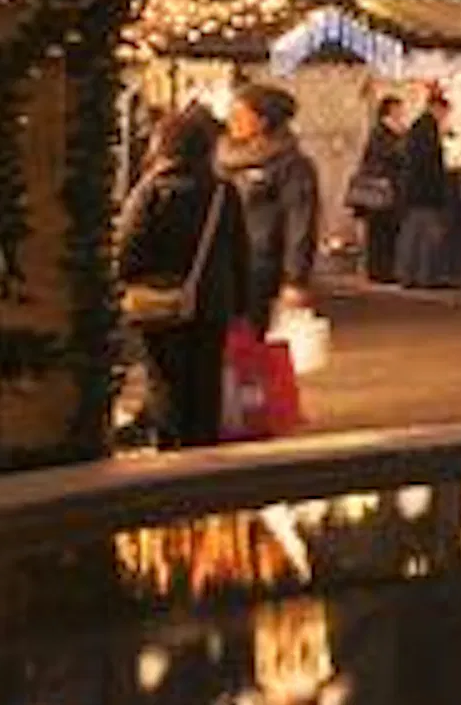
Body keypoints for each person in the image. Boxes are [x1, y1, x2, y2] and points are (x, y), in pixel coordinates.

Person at [114, 108, 247, 446]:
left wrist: (130, 278)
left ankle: (173, 454)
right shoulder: (223, 192)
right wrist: (241, 305)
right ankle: (204, 452)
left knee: (166, 382)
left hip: (159, 306)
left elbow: (128, 248)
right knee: (206, 384)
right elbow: (239, 252)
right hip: (211, 304)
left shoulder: (151, 192)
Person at [215, 83, 322, 336]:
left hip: (258, 267)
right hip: (218, 263)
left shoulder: (292, 164)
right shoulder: (222, 156)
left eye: (240, 114)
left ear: (262, 121)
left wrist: (295, 279)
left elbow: (300, 221)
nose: (231, 120)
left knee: (248, 339)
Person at [395, 84, 456, 288]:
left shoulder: (418, 127)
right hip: (425, 191)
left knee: (413, 235)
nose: (445, 117)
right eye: (444, 112)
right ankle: (423, 276)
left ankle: (409, 275)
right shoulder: (427, 129)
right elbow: (431, 163)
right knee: (426, 236)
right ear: (436, 108)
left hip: (414, 191)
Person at [349, 96, 407, 284]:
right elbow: (388, 156)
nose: (402, 112)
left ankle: (383, 269)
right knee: (380, 231)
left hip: (388, 189)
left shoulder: (393, 131)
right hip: (381, 189)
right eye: (398, 108)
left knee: (386, 231)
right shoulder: (382, 133)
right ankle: (380, 271)